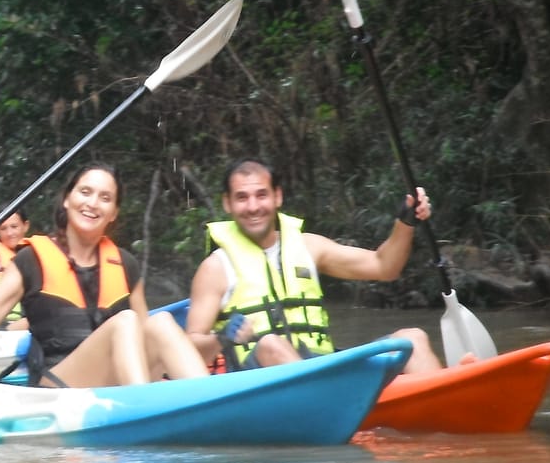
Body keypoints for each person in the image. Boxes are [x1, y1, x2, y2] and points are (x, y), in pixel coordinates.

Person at [182, 158, 451, 375]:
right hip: (256, 379)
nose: (253, 206)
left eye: (261, 195)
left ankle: (446, 406)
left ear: (277, 197)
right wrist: (222, 338)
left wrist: (406, 222)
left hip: (322, 366)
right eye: (242, 197)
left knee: (412, 339)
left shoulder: (309, 246)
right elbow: (190, 350)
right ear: (227, 203)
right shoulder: (215, 268)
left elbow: (384, 266)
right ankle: (329, 403)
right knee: (270, 344)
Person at [0, 163, 208, 387]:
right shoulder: (31, 260)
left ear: (114, 213)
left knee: (160, 322)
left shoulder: (125, 263)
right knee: (125, 321)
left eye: (105, 198)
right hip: (59, 385)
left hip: (117, 381)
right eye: (85, 192)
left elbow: (144, 337)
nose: (93, 203)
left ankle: (209, 402)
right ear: (67, 199)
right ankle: (143, 408)